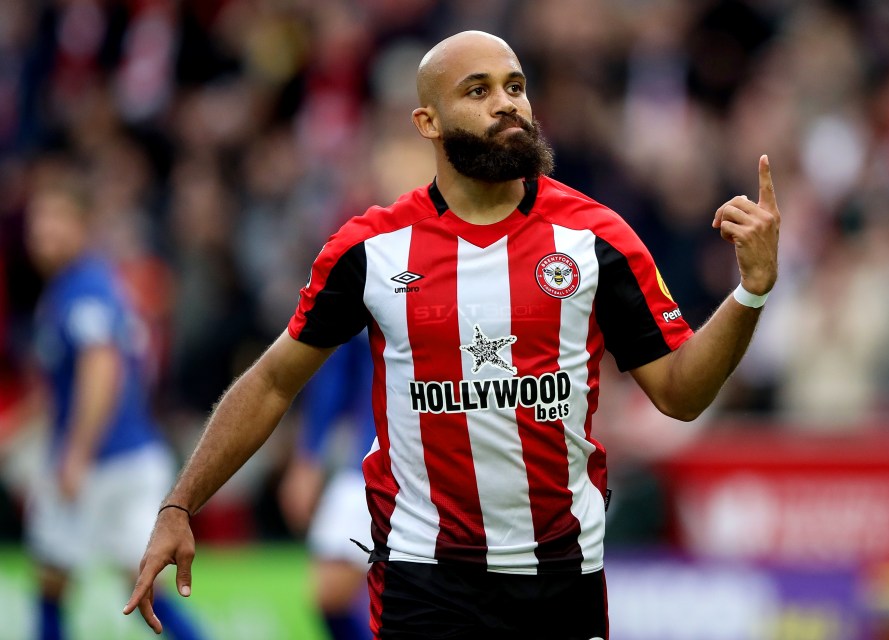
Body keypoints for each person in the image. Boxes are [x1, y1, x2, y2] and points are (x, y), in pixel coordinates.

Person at [125, 30, 780, 639]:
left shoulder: (596, 238)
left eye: (515, 87)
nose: (507, 104)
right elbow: (272, 382)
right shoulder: (372, 250)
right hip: (425, 578)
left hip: (561, 577)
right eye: (479, 90)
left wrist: (750, 290)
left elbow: (681, 393)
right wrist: (180, 506)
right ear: (427, 122)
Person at [24, 166, 205, 640]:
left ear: (83, 226)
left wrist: (77, 453)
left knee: (57, 583)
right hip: (131, 456)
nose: (44, 230)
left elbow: (102, 367)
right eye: (38, 219)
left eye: (57, 218)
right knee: (129, 589)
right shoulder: (84, 285)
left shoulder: (83, 288)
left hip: (106, 463)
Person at [278, 332, 376, 640]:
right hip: (373, 458)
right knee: (330, 593)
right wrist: (308, 458)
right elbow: (336, 372)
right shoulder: (371, 287)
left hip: (457, 463)